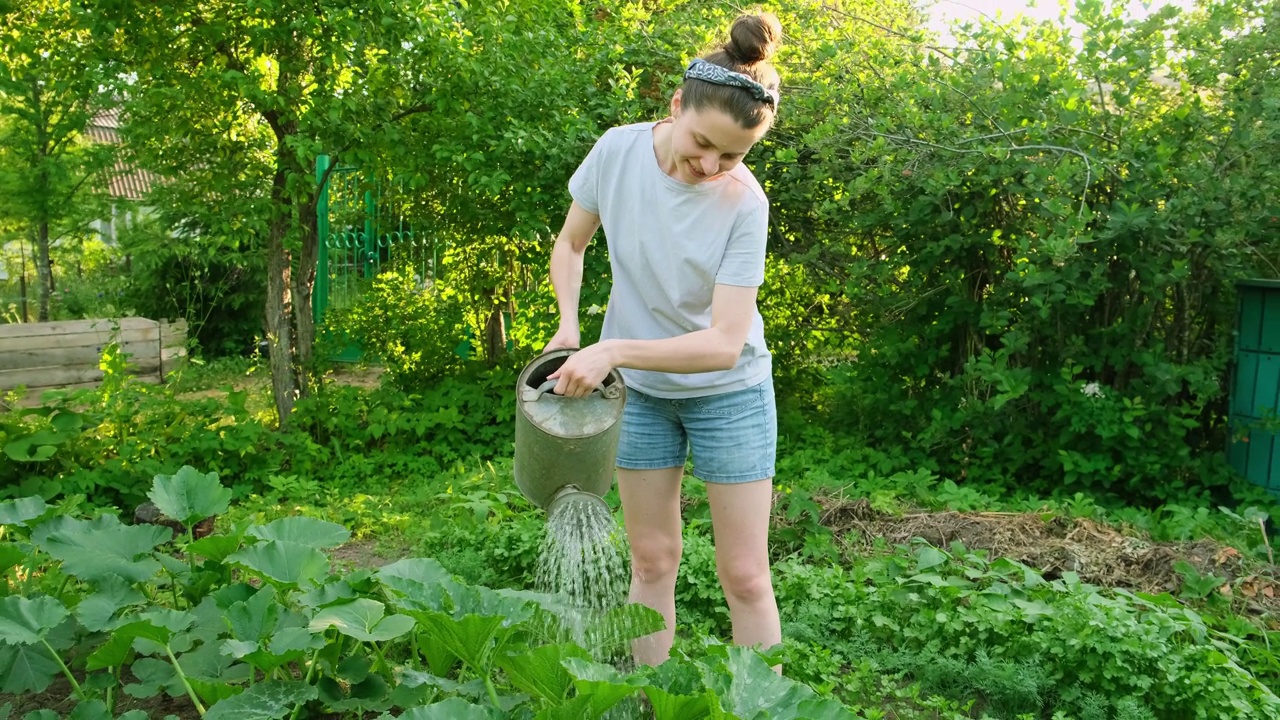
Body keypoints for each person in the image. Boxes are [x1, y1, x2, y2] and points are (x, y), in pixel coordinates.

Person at [543, 11, 784, 666]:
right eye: (702, 142)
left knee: (745, 576)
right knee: (650, 561)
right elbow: (571, 244)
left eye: (732, 155)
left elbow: (723, 344)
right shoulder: (618, 151)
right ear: (677, 105)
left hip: (727, 395)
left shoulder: (745, 204)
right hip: (643, 396)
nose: (711, 165)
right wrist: (571, 323)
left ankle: (760, 711)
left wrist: (612, 349)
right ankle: (649, 701)